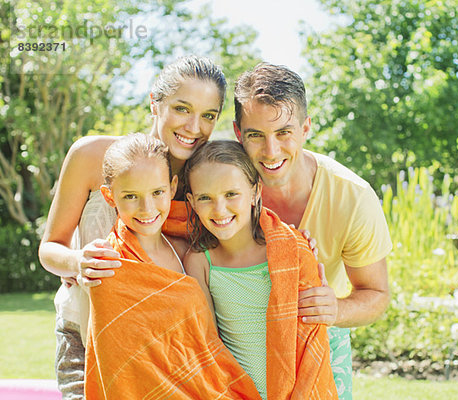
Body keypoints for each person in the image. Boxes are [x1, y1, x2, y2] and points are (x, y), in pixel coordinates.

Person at [38, 55, 227, 399]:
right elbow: (50, 248)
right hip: (87, 334)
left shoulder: (206, 179)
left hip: (165, 350)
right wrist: (78, 262)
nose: (194, 126)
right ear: (155, 103)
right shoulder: (91, 155)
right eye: (182, 108)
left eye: (208, 115)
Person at [233, 63, 393, 399]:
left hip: (319, 331)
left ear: (305, 127)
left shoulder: (352, 197)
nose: (271, 151)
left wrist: (336, 309)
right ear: (237, 133)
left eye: (283, 133)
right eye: (256, 135)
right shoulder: (221, 186)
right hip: (237, 337)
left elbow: (376, 295)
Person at [85, 133, 259, 399]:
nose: (147, 208)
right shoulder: (110, 266)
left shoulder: (185, 248)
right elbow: (122, 366)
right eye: (131, 196)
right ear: (110, 197)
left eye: (157, 192)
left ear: (172, 186)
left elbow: (206, 340)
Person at [183, 140, 338, 399]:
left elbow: (310, 335)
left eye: (231, 194)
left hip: (297, 389)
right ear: (192, 201)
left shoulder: (290, 248)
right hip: (237, 392)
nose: (219, 209)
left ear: (255, 192)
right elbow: (208, 343)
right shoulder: (200, 261)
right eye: (205, 198)